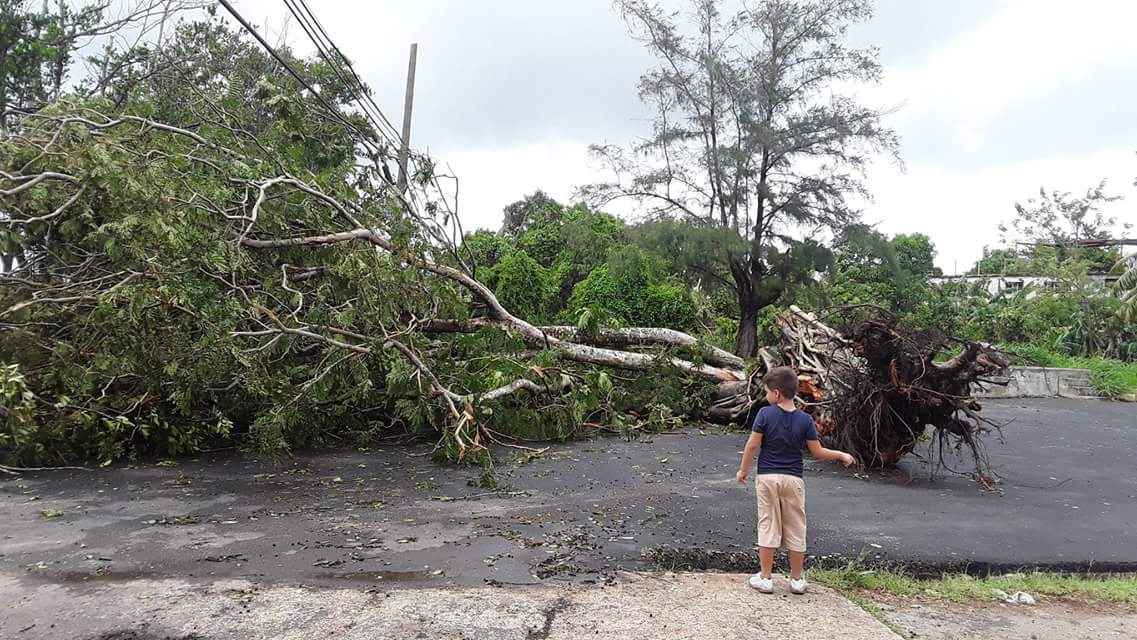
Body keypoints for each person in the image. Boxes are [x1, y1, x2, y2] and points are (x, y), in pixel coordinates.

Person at [735, 366, 856, 594]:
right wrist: (840, 454)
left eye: (767, 391)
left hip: (768, 477)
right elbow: (817, 452)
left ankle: (766, 577)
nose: (767, 396)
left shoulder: (764, 414)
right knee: (796, 526)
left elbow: (752, 445)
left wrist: (743, 470)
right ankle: (797, 579)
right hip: (793, 479)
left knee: (768, 523)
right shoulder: (805, 420)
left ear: (777, 393)